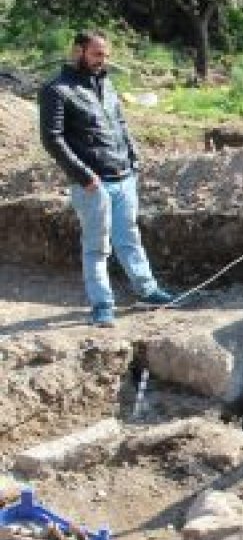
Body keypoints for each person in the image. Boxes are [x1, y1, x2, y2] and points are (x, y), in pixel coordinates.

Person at [38, 30, 175, 328]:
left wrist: (133, 159)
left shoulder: (106, 83)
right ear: (78, 52)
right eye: (97, 54)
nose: (103, 60)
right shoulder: (56, 89)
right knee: (96, 247)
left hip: (124, 176)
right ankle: (102, 305)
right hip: (92, 183)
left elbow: (120, 124)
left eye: (106, 55)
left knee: (130, 238)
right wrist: (85, 177)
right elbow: (52, 139)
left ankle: (147, 290)